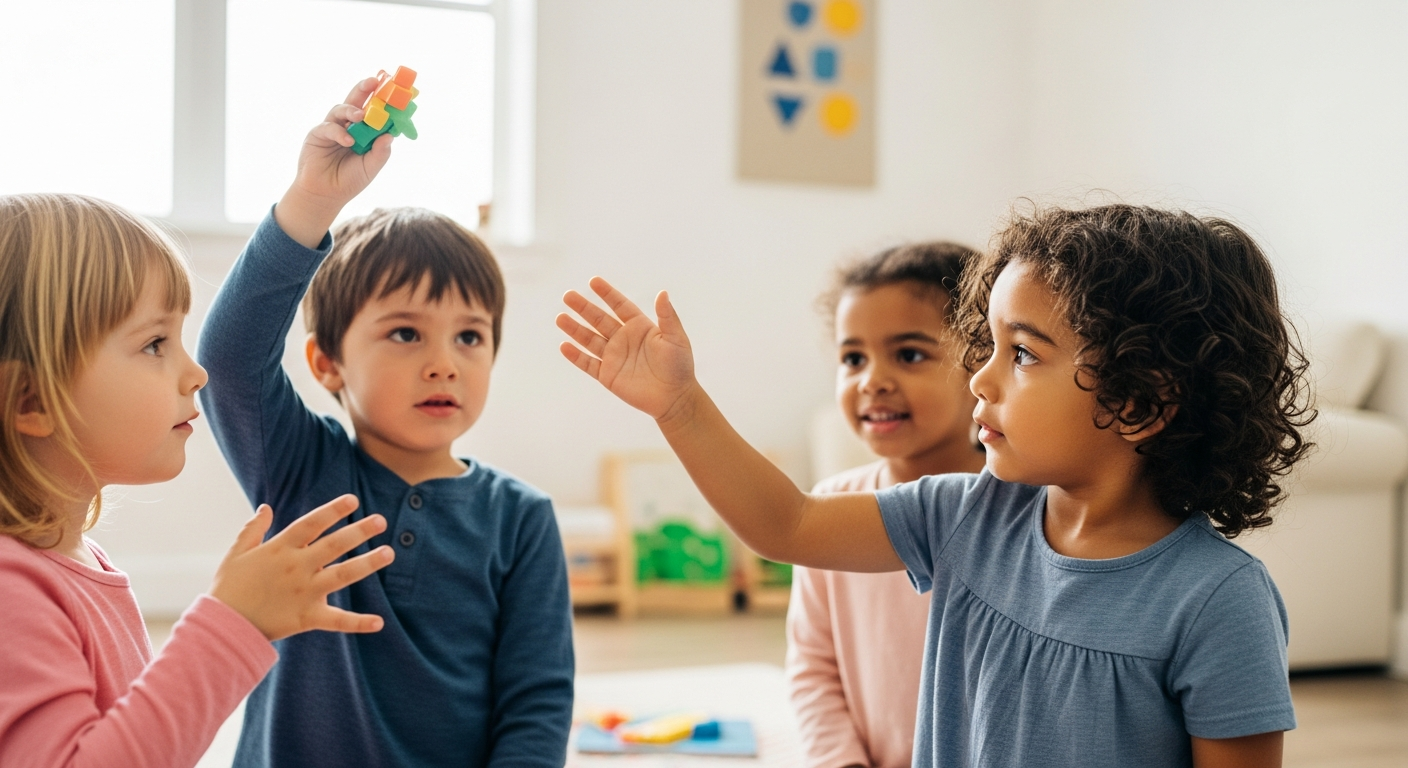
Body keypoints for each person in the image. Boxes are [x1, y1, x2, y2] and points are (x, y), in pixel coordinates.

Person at [556, 204, 1311, 768]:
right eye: (989, 344)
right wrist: (681, 406)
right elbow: (785, 524)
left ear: (1139, 400)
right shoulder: (966, 516)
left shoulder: (1219, 602)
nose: (980, 376)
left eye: (1021, 354)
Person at [198, 79, 574, 767]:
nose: (444, 364)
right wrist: (314, 200)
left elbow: (537, 702)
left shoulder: (522, 519)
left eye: (469, 337)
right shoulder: (300, 468)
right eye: (406, 334)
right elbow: (228, 360)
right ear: (328, 363)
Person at [0, 192, 394, 767]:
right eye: (155, 344)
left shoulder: (78, 562)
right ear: (31, 399)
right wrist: (232, 622)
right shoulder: (11, 593)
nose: (196, 372)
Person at [787, 242, 985, 768]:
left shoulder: (1026, 511)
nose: (871, 380)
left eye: (910, 354)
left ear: (982, 366)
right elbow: (813, 667)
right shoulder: (830, 507)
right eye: (853, 358)